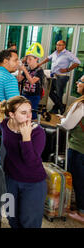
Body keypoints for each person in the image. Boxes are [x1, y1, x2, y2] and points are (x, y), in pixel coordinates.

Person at [0, 96, 47, 228]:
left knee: (29, 221)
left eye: (30, 111)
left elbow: (31, 162)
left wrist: (26, 138)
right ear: (11, 114)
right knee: (11, 215)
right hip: (9, 180)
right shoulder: (4, 125)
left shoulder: (38, 132)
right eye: (23, 113)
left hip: (33, 183)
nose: (29, 116)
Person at [58, 75, 84, 224]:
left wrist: (62, 119)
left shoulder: (80, 105)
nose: (77, 83)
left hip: (78, 148)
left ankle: (81, 212)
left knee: (79, 180)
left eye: (81, 81)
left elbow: (67, 125)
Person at [38, 40, 81, 114]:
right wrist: (40, 64)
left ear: (64, 46)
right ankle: (61, 106)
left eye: (60, 45)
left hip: (62, 77)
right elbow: (48, 58)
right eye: (57, 45)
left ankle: (56, 108)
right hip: (54, 76)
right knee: (50, 92)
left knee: (59, 94)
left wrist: (68, 69)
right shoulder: (55, 53)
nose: (58, 46)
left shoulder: (68, 54)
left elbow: (77, 62)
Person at [17, 52, 45, 119]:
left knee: (32, 114)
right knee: (22, 112)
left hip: (34, 95)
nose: (28, 61)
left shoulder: (39, 70)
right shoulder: (27, 69)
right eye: (27, 59)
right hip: (25, 93)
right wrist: (20, 71)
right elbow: (19, 79)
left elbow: (32, 81)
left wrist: (25, 70)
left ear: (36, 59)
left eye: (30, 59)